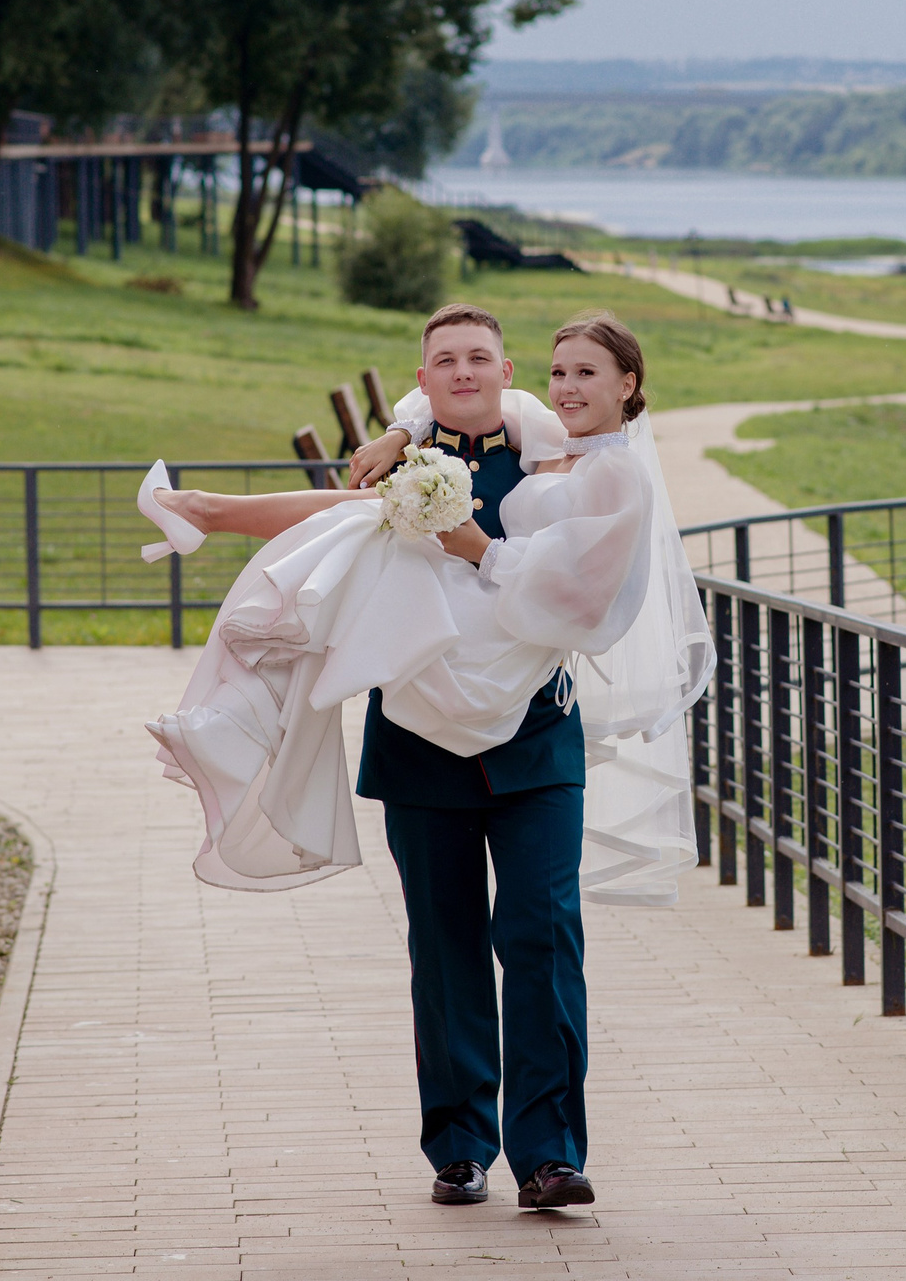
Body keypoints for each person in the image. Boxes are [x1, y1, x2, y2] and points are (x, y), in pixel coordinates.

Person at [137, 305, 709, 1213]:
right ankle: (458, 1146)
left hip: (535, 740)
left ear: (507, 369)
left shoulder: (551, 446)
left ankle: (551, 1153)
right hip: (419, 741)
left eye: (480, 357)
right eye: (443, 361)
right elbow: (329, 514)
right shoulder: (403, 455)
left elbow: (569, 575)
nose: (463, 372)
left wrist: (461, 517)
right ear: (425, 375)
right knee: (442, 949)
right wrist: (389, 434)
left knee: (541, 934)